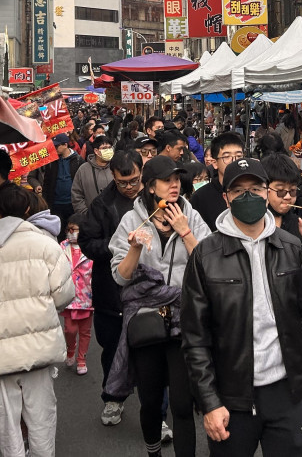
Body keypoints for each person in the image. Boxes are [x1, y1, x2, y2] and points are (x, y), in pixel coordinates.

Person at [181, 157, 302, 456]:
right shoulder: (206, 256)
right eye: (238, 190)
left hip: (287, 392)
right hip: (232, 396)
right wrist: (209, 402)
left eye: (256, 188)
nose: (248, 196)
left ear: (267, 192)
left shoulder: (290, 247)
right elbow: (195, 338)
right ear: (226, 198)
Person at [0, 183, 74, 457]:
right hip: (39, 349)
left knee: (7, 427)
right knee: (42, 421)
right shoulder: (46, 246)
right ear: (28, 210)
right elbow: (64, 295)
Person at [108, 154, 211, 457]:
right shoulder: (132, 219)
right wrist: (135, 249)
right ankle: (153, 451)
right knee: (151, 401)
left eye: (178, 179)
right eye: (167, 180)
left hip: (184, 320)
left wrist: (186, 232)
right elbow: (120, 277)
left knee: (181, 402)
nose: (175, 185)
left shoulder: (190, 216)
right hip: (146, 321)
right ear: (151, 187)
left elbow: (209, 267)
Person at [79, 149, 144, 426]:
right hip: (111, 291)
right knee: (112, 349)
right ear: (113, 178)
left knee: (150, 351)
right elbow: (86, 242)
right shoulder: (102, 204)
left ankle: (156, 409)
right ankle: (113, 399)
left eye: (134, 181)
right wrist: (117, 246)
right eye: (122, 182)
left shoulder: (155, 199)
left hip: (147, 290)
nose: (129, 188)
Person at [260, 153, 302, 288]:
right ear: (264, 189)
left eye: (293, 191)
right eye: (281, 191)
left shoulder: (299, 225)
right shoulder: (254, 225)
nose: (288, 197)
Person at [28, 133, 84, 238]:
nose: (55, 148)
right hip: (55, 204)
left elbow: (82, 182)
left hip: (73, 204)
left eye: (57, 146)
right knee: (59, 232)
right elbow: (47, 182)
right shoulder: (51, 161)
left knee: (74, 232)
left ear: (65, 145)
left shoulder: (78, 160)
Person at [191, 131, 245, 233]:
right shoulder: (200, 197)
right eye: (226, 157)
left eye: (238, 156)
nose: (234, 161)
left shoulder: (253, 192)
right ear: (215, 163)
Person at [62, 211, 94, 375]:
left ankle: (82, 359)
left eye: (74, 229)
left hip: (87, 297)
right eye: (69, 229)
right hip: (68, 297)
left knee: (85, 331)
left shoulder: (90, 247)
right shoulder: (62, 247)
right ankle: (70, 348)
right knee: (70, 329)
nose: (71, 233)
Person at [71, 134, 114, 215]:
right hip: (91, 218)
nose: (108, 150)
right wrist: (85, 214)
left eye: (110, 147)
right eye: (104, 148)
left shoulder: (116, 167)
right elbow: (76, 194)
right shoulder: (83, 169)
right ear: (96, 151)